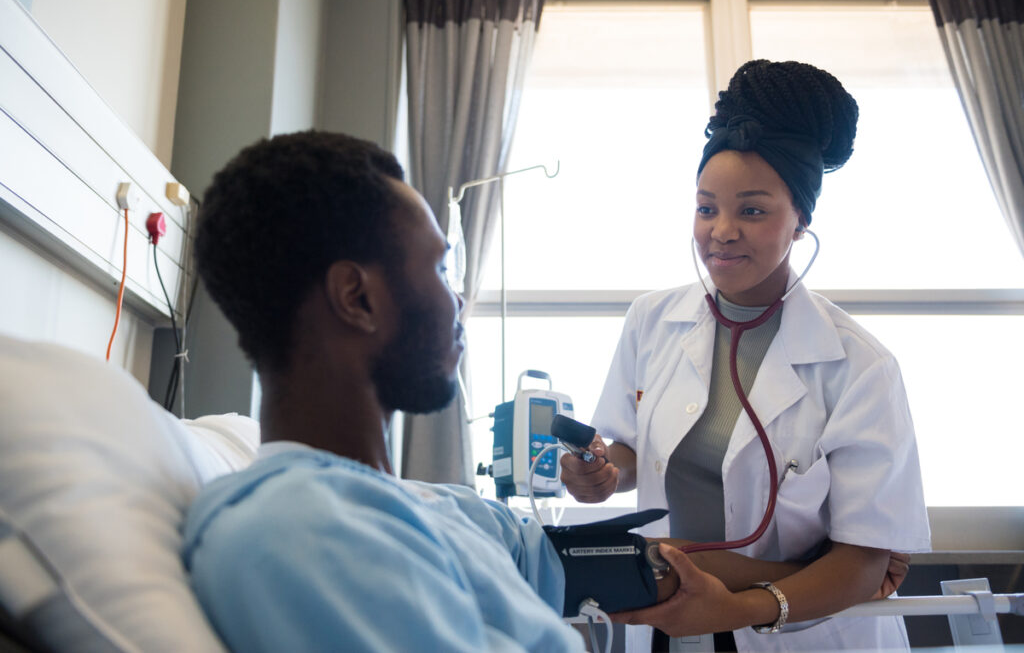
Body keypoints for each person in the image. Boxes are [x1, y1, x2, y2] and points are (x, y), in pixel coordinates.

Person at [560, 60, 931, 652]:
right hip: (666, 627)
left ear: (801, 220)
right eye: (707, 208)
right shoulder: (651, 321)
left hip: (800, 635)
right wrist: (601, 471)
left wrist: (736, 608)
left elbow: (867, 563)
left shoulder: (860, 367)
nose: (722, 230)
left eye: (752, 210)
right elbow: (628, 451)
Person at [181, 131, 588, 651]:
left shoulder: (429, 505)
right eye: (441, 268)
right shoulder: (301, 537)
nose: (458, 302)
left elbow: (568, 557)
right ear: (357, 298)